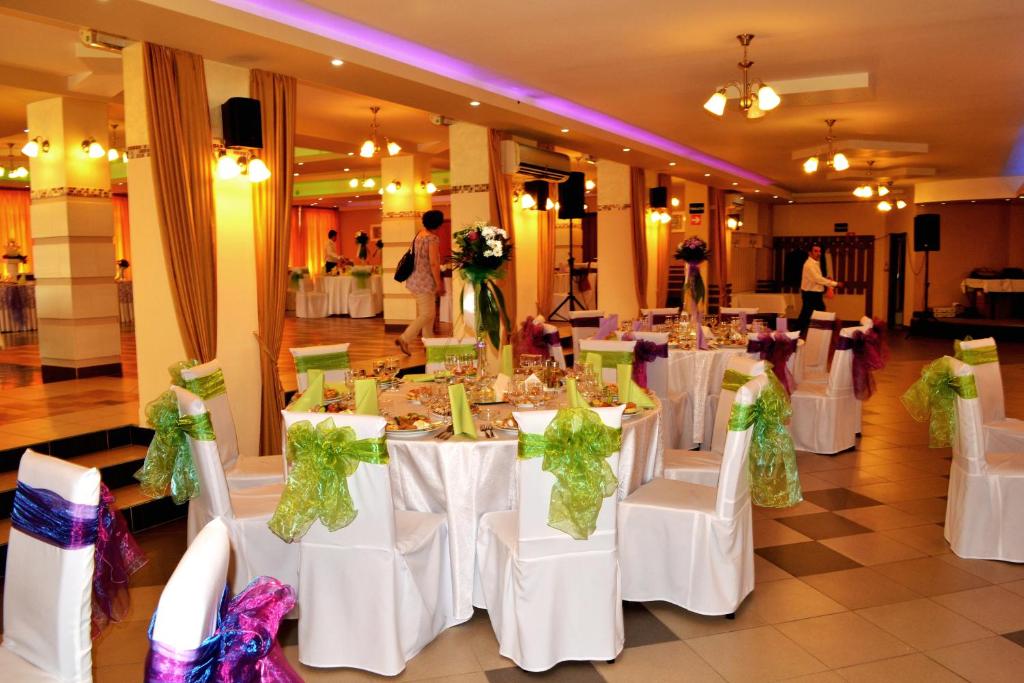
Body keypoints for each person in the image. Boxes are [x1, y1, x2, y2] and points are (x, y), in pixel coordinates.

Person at [395, 210, 444, 355]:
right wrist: (439, 283)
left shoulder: (419, 235)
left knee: (429, 314)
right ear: (438, 224)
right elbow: (433, 263)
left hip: (415, 280)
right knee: (427, 314)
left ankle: (430, 346)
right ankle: (404, 338)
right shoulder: (432, 238)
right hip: (425, 282)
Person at [798, 244, 843, 334]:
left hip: (814, 294)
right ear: (810, 253)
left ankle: (810, 332)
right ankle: (799, 332)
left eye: (819, 251)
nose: (818, 253)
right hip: (810, 294)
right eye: (816, 251)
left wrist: (829, 285)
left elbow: (818, 278)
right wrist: (835, 284)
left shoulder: (815, 263)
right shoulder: (809, 265)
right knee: (808, 314)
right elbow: (817, 279)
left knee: (810, 314)